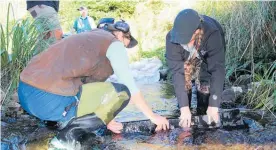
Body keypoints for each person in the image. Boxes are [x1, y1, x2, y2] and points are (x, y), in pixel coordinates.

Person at [18, 20, 169, 147]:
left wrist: (106, 117)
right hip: (48, 100)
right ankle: (66, 138)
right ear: (120, 35)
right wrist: (153, 116)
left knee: (97, 94)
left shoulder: (88, 38)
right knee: (122, 92)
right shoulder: (114, 44)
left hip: (26, 95)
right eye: (126, 44)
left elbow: (87, 90)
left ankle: (54, 127)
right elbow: (129, 85)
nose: (125, 50)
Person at [166, 9, 225, 128]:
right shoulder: (171, 38)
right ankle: (184, 112)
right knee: (185, 81)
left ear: (197, 31)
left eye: (186, 39)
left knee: (205, 85)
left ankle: (203, 111)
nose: (183, 42)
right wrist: (184, 108)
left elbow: (217, 70)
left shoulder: (213, 34)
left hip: (206, 52)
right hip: (185, 58)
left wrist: (214, 105)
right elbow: (178, 74)